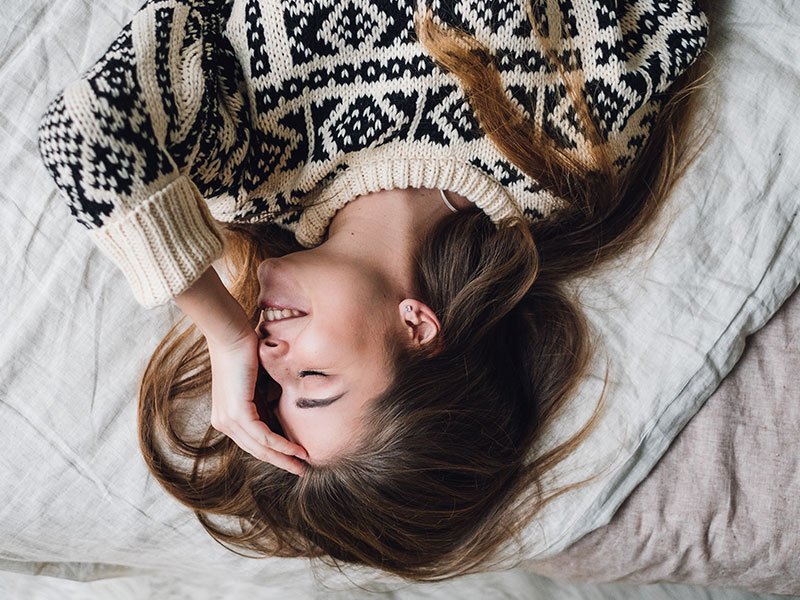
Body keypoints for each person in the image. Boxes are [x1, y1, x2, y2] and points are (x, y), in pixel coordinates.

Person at [38, 0, 709, 579]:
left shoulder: (244, 164)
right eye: (314, 379)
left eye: (271, 386)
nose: (269, 354)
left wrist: (223, 329)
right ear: (418, 327)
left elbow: (81, 136)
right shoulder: (565, 152)